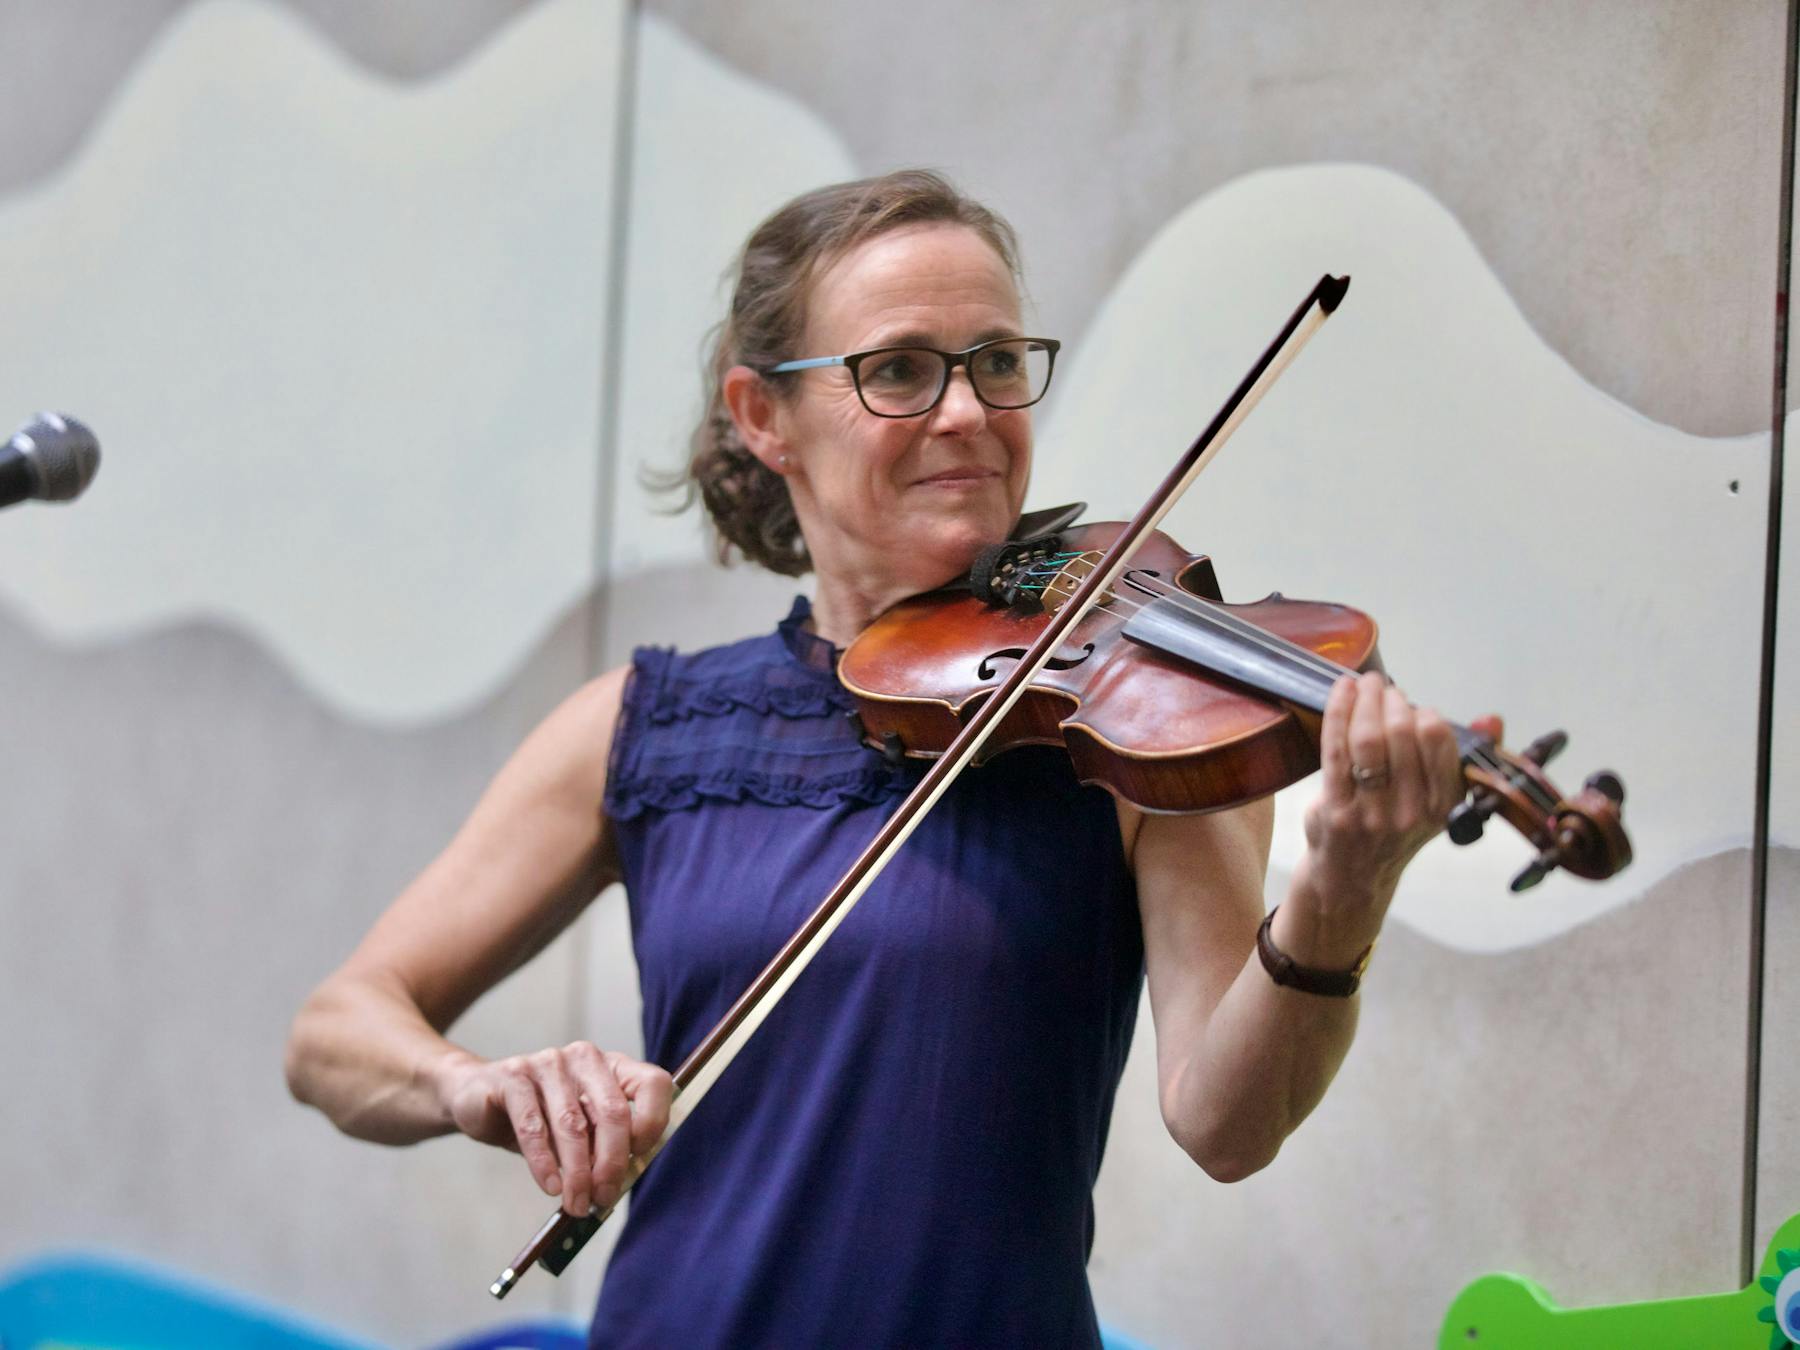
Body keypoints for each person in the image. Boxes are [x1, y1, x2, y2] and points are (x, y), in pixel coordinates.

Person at [285, 169, 1466, 1348]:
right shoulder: (645, 725)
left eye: (997, 361)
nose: (967, 411)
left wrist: (1341, 896)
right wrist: (473, 1087)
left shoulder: (1139, 723)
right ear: (764, 417)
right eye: (899, 369)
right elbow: (337, 1033)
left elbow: (1228, 1125)